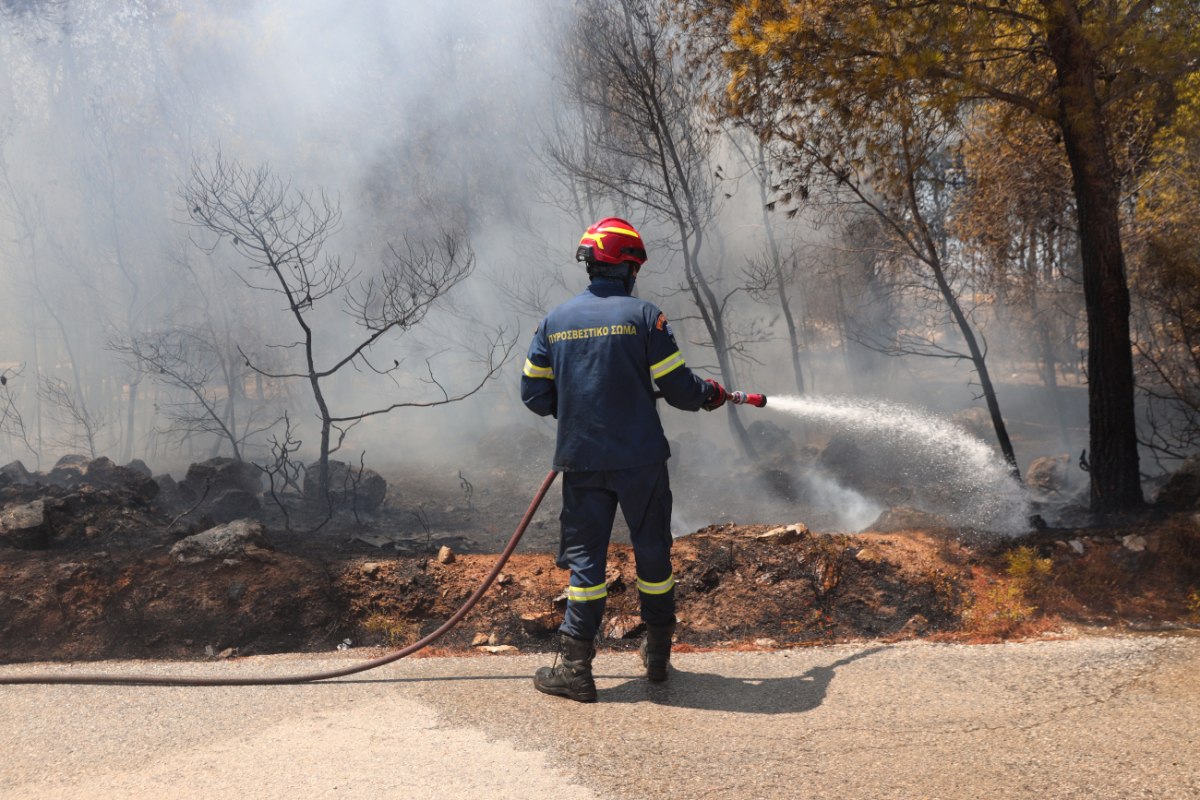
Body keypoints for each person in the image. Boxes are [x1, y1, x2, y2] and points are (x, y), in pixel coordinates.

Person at [521, 216, 726, 703]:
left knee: (587, 563)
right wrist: (710, 395)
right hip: (640, 458)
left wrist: (574, 410)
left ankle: (576, 670)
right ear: (629, 265)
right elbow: (678, 390)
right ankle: (657, 658)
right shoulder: (645, 317)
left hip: (582, 459)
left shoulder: (554, 321)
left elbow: (533, 393)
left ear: (591, 264)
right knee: (653, 554)